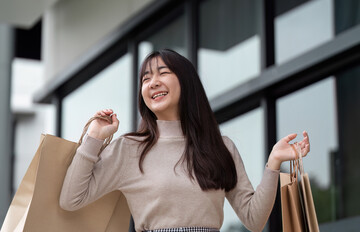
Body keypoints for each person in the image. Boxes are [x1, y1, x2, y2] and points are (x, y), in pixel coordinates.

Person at [60, 49, 310, 232]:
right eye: (145, 78)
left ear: (186, 82)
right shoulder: (129, 148)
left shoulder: (221, 147)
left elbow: (254, 220)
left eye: (163, 73)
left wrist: (274, 163)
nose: (152, 82)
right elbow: (71, 199)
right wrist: (93, 137)